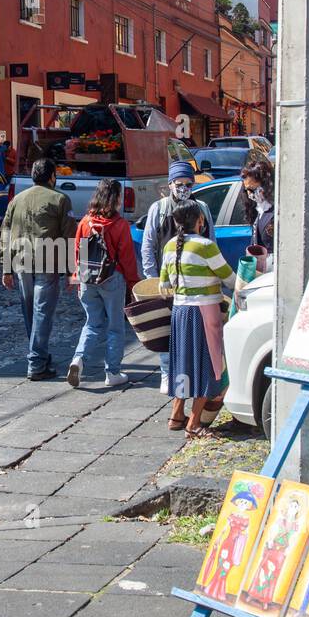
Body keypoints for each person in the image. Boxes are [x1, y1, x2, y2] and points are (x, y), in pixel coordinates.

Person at [141, 161, 216, 425]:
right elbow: (149, 244)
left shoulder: (202, 208)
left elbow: (212, 241)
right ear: (170, 184)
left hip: (194, 286)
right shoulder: (159, 209)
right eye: (179, 184)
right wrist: (152, 278)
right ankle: (166, 373)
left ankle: (178, 399)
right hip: (166, 282)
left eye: (188, 184)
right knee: (164, 331)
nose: (183, 188)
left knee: (186, 342)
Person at [159, 199, 235, 439]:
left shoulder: (170, 246)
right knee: (209, 366)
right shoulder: (205, 246)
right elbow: (230, 278)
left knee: (183, 364)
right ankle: (194, 423)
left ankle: (176, 415)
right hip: (205, 312)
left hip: (180, 312)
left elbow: (163, 285)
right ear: (200, 221)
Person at [0, 158, 74, 380]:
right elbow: (69, 237)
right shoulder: (60, 199)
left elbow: (5, 234)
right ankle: (36, 362)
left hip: (21, 264)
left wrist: (5, 268)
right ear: (52, 176)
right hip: (46, 263)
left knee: (31, 311)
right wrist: (72, 270)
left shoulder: (16, 200)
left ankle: (39, 355)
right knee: (42, 313)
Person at [68, 178, 140, 389]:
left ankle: (78, 359)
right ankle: (113, 372)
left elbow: (77, 254)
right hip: (112, 279)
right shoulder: (119, 225)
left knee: (92, 323)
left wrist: (77, 280)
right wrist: (133, 283)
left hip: (87, 279)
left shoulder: (84, 222)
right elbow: (127, 259)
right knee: (116, 328)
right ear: (116, 198)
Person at [240, 157, 275, 276]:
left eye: (252, 189)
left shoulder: (276, 211)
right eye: (246, 190)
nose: (249, 194)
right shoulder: (258, 210)